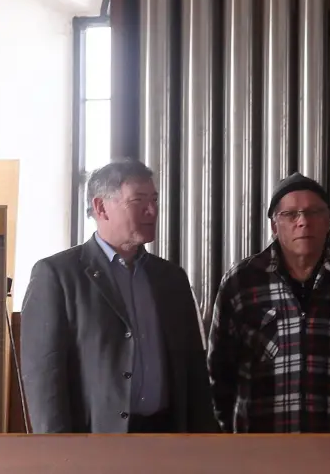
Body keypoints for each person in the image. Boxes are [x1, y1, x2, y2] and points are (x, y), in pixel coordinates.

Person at [20, 159, 217, 433]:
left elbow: (194, 371)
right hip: (96, 443)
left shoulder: (171, 278)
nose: (152, 210)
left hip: (167, 438)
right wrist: (57, 455)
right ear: (101, 207)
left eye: (154, 200)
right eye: (138, 201)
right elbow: (44, 379)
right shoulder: (58, 276)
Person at [207, 173, 330, 432]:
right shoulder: (241, 282)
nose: (303, 222)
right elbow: (219, 372)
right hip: (260, 445)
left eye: (314, 212)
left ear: (328, 221)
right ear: (274, 226)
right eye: (291, 215)